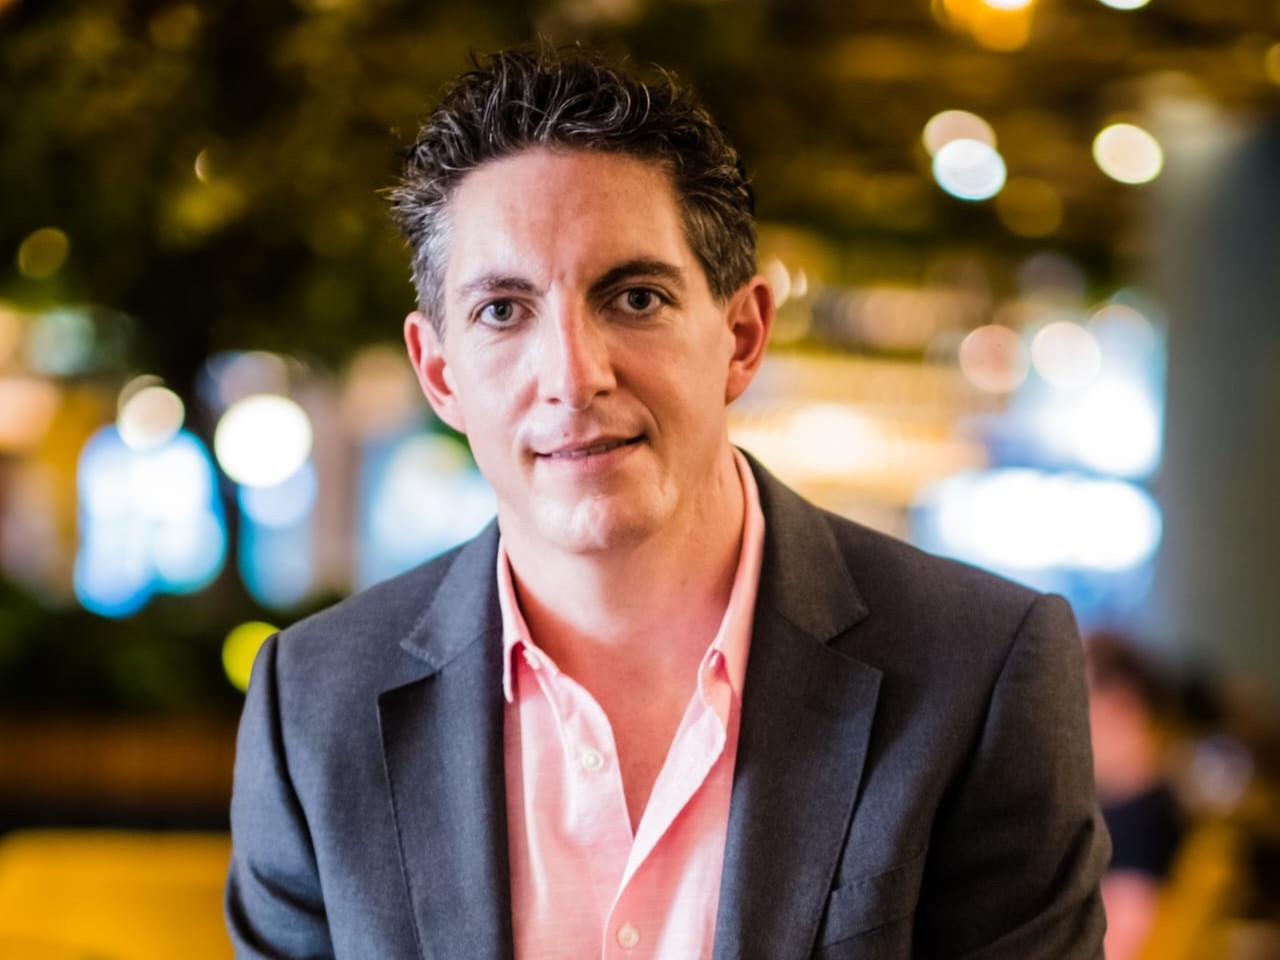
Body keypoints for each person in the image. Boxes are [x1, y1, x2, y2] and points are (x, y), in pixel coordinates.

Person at [225, 46, 1109, 959]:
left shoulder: (981, 671)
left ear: (742, 335)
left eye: (635, 298)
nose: (574, 377)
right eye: (503, 311)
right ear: (440, 373)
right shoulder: (315, 709)